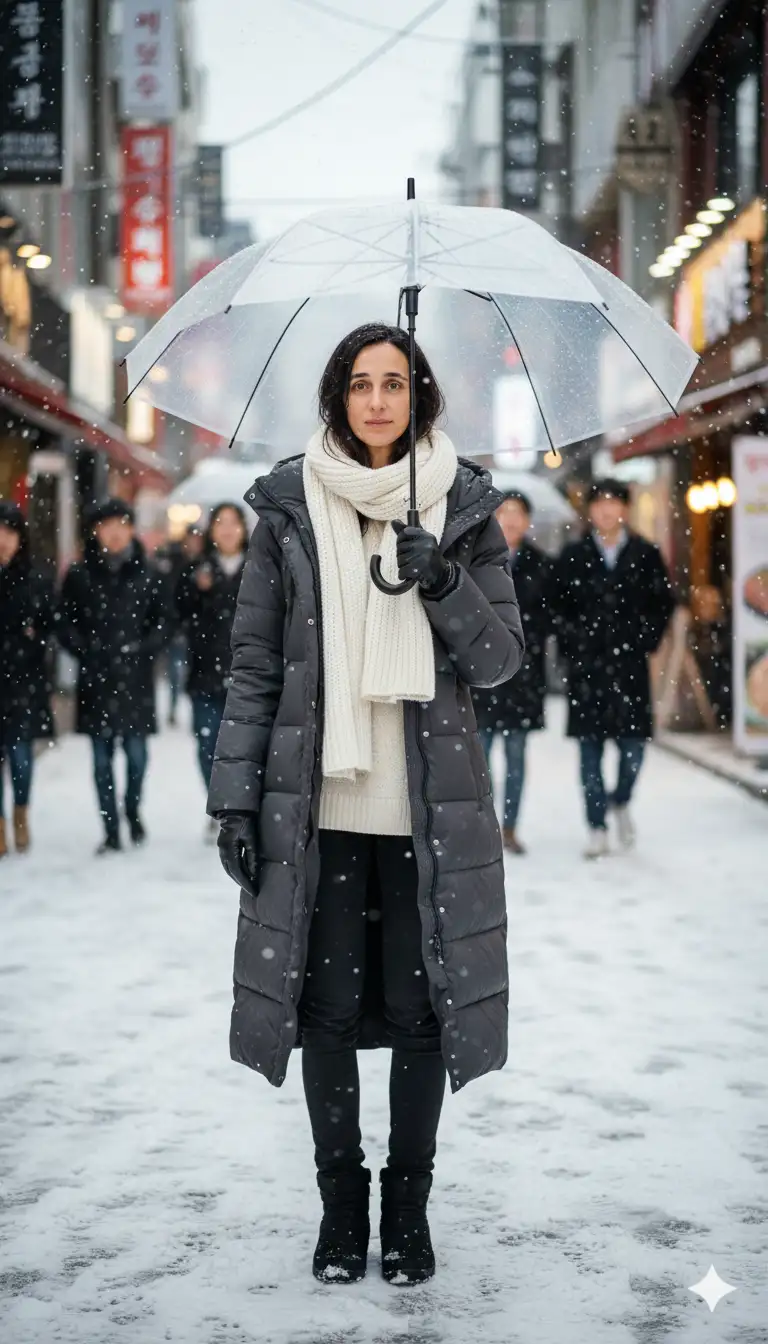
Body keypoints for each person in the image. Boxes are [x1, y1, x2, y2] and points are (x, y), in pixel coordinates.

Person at [207, 323, 524, 1286]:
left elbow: (502, 661)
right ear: (336, 398)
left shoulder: (466, 512)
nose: (377, 401)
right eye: (360, 384)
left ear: (420, 396)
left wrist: (444, 580)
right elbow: (257, 666)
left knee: (425, 1013)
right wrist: (235, 798)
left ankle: (409, 1209)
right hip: (325, 809)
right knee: (330, 1012)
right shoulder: (288, 512)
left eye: (395, 383)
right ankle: (342, 1208)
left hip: (431, 813)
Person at [550, 478, 674, 859]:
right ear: (590, 510)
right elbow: (557, 607)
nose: (606, 509)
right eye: (599, 502)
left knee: (633, 750)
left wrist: (643, 639)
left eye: (614, 502)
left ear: (625, 508)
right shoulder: (572, 555)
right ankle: (597, 826)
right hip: (587, 669)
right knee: (589, 753)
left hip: (629, 667)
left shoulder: (645, 553)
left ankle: (620, 800)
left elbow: (662, 604)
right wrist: (575, 641)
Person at [56, 499, 171, 854]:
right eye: (107, 525)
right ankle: (110, 828)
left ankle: (132, 811)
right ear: (96, 531)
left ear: (131, 528)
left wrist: (144, 647)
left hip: (135, 679)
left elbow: (165, 620)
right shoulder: (79, 574)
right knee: (101, 761)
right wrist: (84, 649)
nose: (115, 532)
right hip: (96, 678)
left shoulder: (149, 572)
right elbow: (64, 621)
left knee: (137, 758)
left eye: (122, 523)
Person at [472, 490, 550, 854]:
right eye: (504, 512)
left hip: (524, 675)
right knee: (479, 758)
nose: (511, 520)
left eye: (518, 512)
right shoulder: (475, 557)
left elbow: (551, 618)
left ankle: (511, 826)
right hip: (483, 671)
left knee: (516, 757)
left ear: (528, 520)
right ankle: (483, 827)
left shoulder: (542, 564)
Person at [175, 503, 248, 840]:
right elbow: (178, 615)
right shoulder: (196, 569)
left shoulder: (259, 567)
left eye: (234, 523)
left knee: (244, 748)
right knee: (207, 746)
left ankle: (240, 808)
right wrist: (196, 590)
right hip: (204, 674)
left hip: (249, 677)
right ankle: (219, 808)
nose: (228, 529)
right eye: (221, 523)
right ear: (211, 530)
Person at [0, 502, 54, 857]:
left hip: (23, 682)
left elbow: (52, 622)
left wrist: (36, 634)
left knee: (21, 758)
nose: (3, 540)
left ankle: (21, 812)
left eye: (9, 532)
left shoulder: (35, 577)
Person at [155, 523, 204, 725]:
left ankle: (193, 712)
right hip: (178, 627)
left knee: (192, 671)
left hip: (198, 629)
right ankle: (175, 708)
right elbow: (170, 593)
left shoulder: (204, 563)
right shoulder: (176, 562)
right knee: (176, 672)